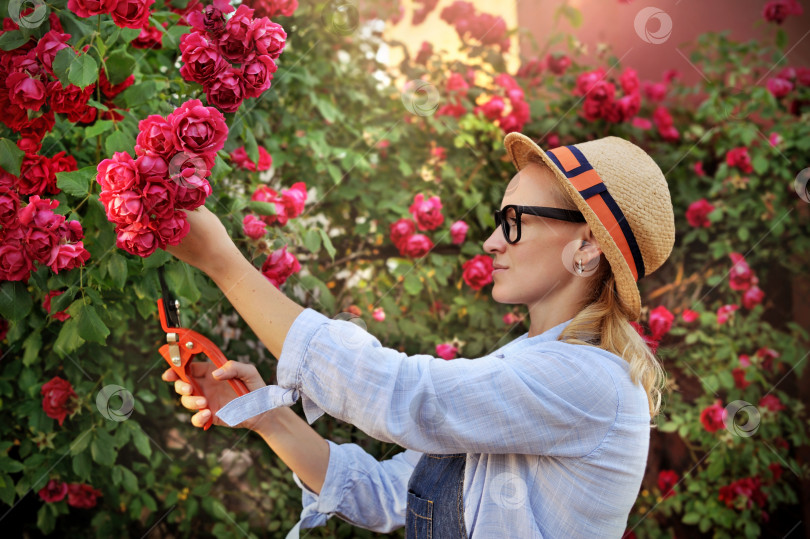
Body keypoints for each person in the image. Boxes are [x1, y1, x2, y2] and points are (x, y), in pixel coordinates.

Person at [161, 132, 675, 538]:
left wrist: (223, 264)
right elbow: (388, 493)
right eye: (499, 220)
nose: (492, 241)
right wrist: (268, 417)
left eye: (515, 222)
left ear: (586, 247)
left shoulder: (590, 380)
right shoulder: (523, 371)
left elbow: (402, 393)